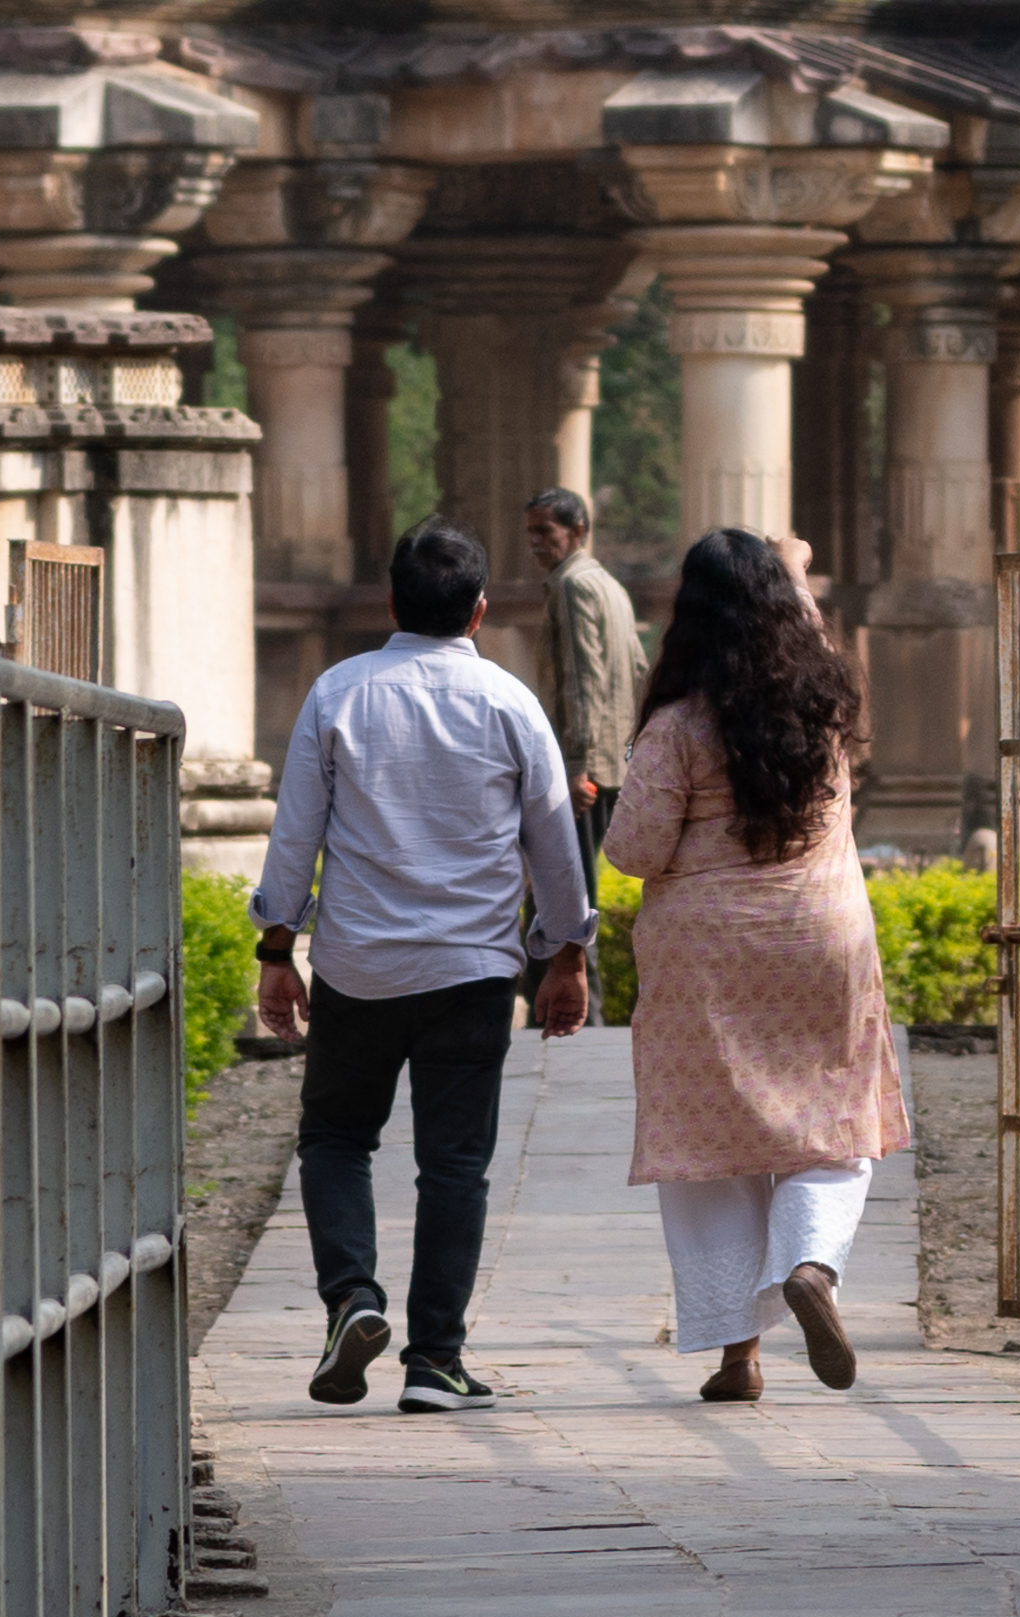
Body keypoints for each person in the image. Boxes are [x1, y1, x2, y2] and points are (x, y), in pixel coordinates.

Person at [253, 519, 597, 1414]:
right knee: (453, 1166)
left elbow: (296, 835)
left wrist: (276, 948)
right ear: (480, 611)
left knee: (335, 1141)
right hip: (473, 971)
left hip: (359, 965)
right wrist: (566, 955)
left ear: (393, 603)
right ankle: (434, 1360)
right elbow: (557, 848)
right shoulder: (510, 704)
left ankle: (352, 1301)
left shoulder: (338, 693)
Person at [609, 521, 904, 1403]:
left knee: (711, 1151)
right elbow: (800, 635)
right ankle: (812, 1264)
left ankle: (738, 1357)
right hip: (822, 941)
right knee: (835, 1127)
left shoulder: (676, 727)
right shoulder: (827, 708)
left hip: (706, 958)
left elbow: (632, 849)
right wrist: (793, 570)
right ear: (785, 610)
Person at [524, 481, 645, 866]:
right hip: (610, 762)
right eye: (531, 531)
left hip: (583, 770)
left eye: (545, 530)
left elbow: (582, 681)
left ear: (577, 531)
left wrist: (576, 766)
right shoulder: (608, 585)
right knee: (576, 883)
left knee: (560, 886)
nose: (535, 541)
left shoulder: (573, 586)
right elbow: (639, 670)